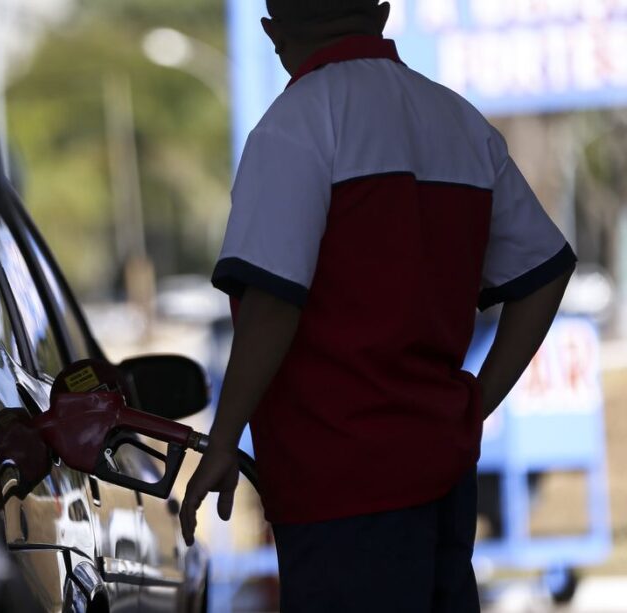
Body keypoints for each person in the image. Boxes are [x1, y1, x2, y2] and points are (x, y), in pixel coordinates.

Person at [178, 1, 576, 610]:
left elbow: (272, 305)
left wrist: (223, 440)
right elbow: (544, 273)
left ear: (272, 31)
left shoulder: (296, 124)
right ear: (383, 13)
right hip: (442, 473)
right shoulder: (460, 123)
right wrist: (472, 403)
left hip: (337, 482)